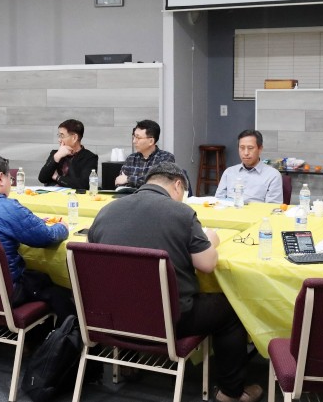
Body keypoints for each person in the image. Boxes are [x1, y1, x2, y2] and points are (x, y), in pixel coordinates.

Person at [89, 162, 261, 402]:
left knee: (128, 284)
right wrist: (211, 240)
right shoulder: (181, 213)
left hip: (114, 317)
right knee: (232, 309)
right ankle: (230, 392)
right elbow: (207, 264)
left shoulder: (106, 211)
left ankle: (128, 366)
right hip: (168, 319)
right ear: (178, 185)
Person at [0, 154, 75, 322]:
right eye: (10, 178)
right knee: (57, 289)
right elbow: (47, 237)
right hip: (4, 291)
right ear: (0, 178)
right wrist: (63, 227)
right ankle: (66, 334)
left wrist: (33, 222)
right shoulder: (7, 206)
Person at [214, 130, 282, 204]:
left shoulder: (273, 175)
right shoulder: (229, 172)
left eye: (250, 148)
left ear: (260, 149)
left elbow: (272, 207)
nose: (246, 153)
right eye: (242, 148)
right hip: (230, 210)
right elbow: (218, 200)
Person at [37, 119, 99, 190]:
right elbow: (42, 178)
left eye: (62, 136)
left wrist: (57, 177)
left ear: (74, 138)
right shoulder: (56, 153)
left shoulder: (90, 158)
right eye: (59, 136)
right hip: (53, 194)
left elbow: (84, 185)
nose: (59, 140)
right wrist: (57, 157)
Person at [114, 120, 175, 188]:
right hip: (131, 195)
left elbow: (158, 183)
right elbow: (119, 182)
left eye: (138, 138)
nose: (134, 141)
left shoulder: (165, 158)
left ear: (151, 141)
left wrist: (128, 179)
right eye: (134, 137)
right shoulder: (131, 158)